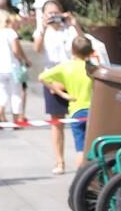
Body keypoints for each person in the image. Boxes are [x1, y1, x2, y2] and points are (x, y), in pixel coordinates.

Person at [35, 0, 82, 174]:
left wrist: (74, 24)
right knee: (57, 121)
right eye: (50, 14)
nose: (54, 17)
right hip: (53, 76)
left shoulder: (68, 29)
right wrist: (42, 27)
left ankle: (83, 159)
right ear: (44, 15)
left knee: (81, 118)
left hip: (73, 76)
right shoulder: (43, 31)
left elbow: (83, 44)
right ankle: (59, 161)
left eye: (57, 13)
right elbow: (37, 49)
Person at [39, 35, 98, 168]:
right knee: (93, 148)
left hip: (76, 111)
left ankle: (80, 178)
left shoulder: (65, 67)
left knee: (80, 149)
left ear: (72, 51)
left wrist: (62, 94)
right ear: (90, 52)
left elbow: (42, 77)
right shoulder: (93, 69)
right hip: (93, 111)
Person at [0, 10, 29, 125]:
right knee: (16, 93)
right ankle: (16, 120)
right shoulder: (10, 32)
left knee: (0, 92)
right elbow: (15, 50)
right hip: (12, 66)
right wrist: (23, 60)